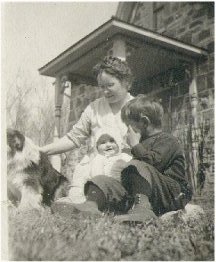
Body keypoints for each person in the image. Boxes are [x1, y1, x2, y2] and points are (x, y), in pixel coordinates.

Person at [57, 95, 192, 222]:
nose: (127, 130)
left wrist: (135, 146)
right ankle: (90, 206)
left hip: (172, 194)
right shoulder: (141, 142)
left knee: (135, 165)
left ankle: (143, 211)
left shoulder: (168, 140)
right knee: (101, 179)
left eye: (130, 125)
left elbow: (153, 164)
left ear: (145, 121)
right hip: (143, 194)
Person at [40, 56, 134, 209]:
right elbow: (74, 138)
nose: (105, 91)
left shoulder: (136, 107)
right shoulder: (94, 108)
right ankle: (80, 204)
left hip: (121, 168)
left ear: (127, 83)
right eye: (101, 86)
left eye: (110, 85)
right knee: (80, 186)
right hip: (93, 168)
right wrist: (43, 151)